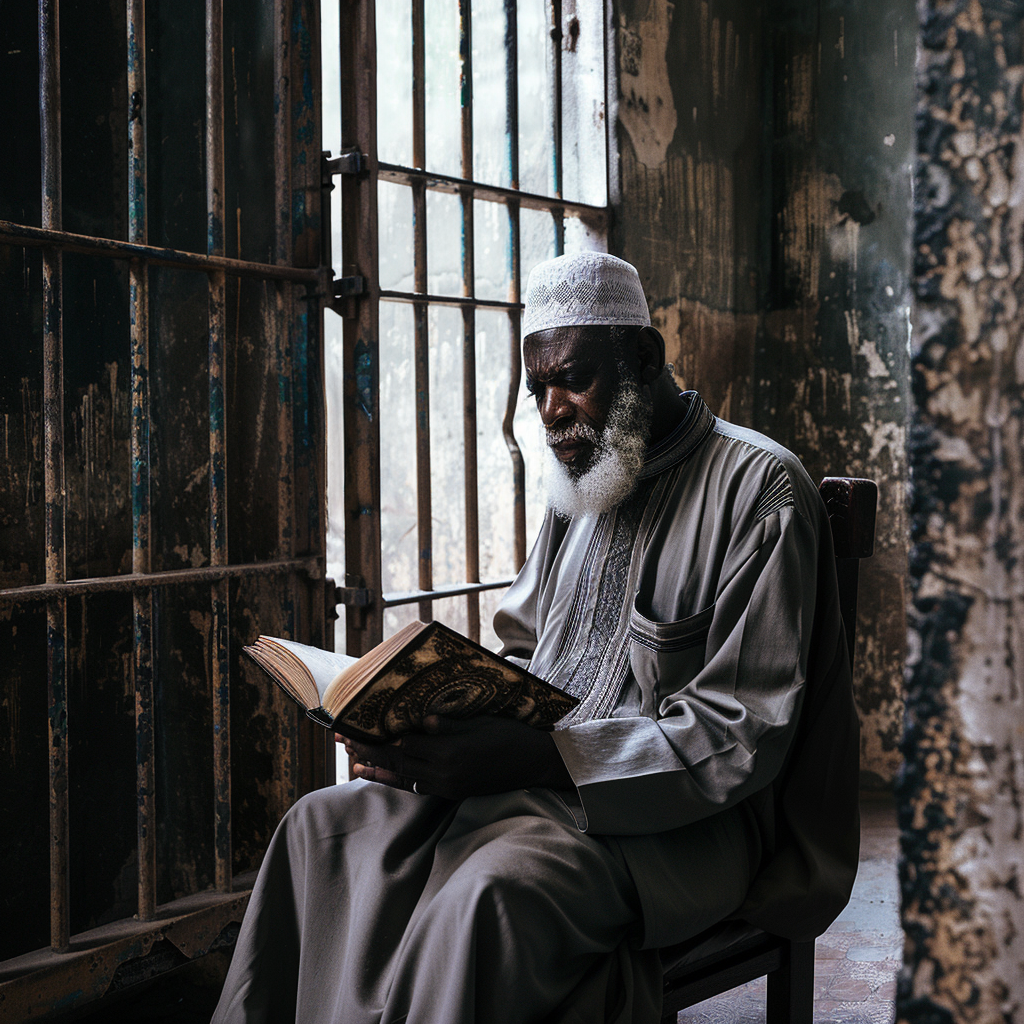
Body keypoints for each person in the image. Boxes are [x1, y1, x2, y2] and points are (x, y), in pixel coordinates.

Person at [211, 252, 860, 1024]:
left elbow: (741, 733)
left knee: (488, 897)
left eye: (573, 379)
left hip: (684, 827)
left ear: (644, 359)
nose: (553, 410)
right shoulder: (586, 480)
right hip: (522, 786)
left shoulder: (761, 490)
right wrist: (429, 727)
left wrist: (542, 756)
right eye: (538, 388)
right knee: (319, 829)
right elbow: (523, 653)